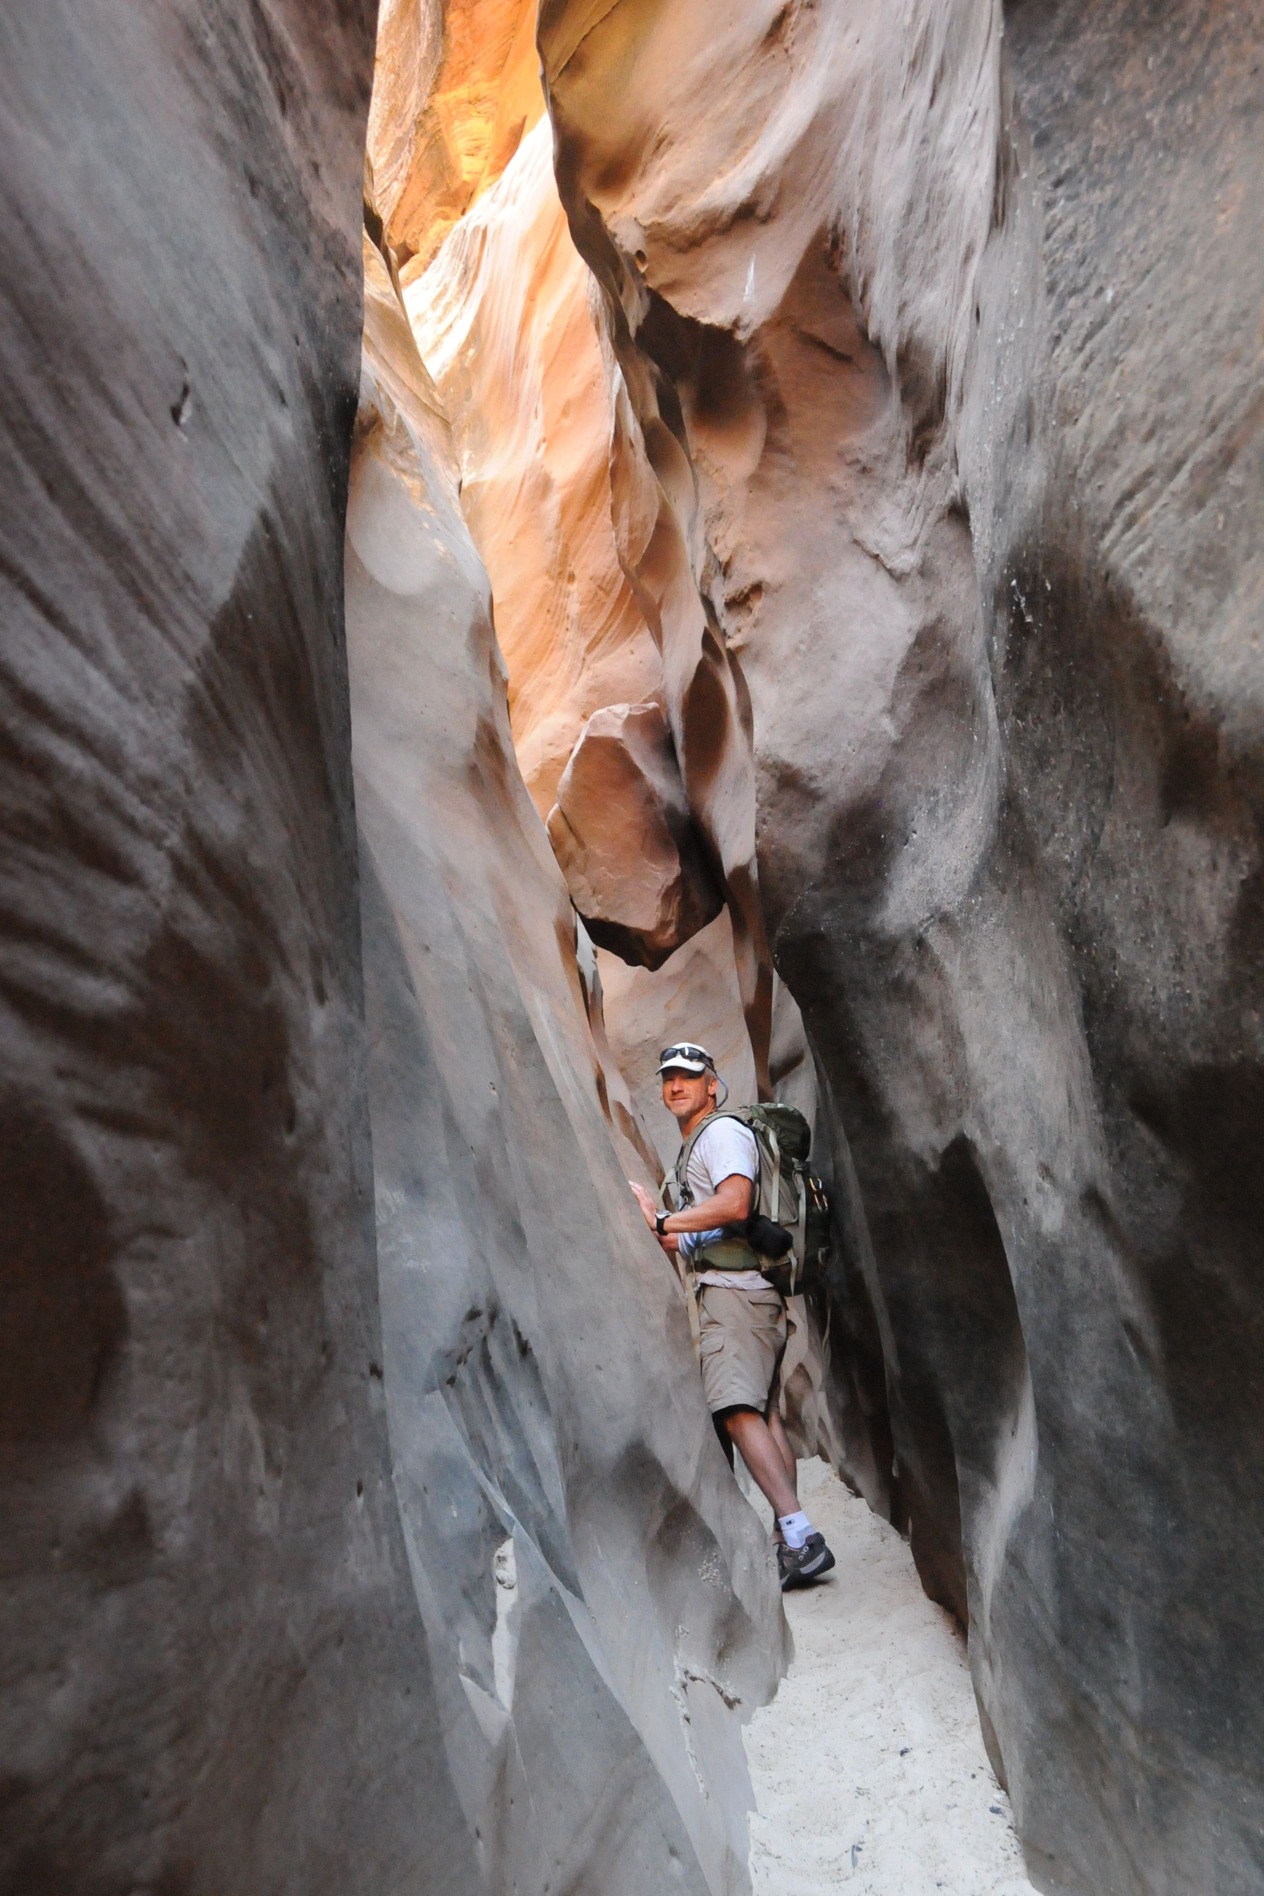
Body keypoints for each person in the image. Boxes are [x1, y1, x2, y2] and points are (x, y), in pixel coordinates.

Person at [631, 1041, 835, 1590]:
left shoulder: (719, 1133)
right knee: (763, 1415)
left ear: (712, 1086)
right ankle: (783, 1543)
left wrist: (663, 1222)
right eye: (669, 1077)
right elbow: (700, 1234)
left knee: (734, 1407)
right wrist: (662, 1226)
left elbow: (736, 1205)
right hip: (744, 1291)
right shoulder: (700, 1141)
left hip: (736, 1296)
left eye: (689, 1077)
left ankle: (802, 1537)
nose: (677, 1085)